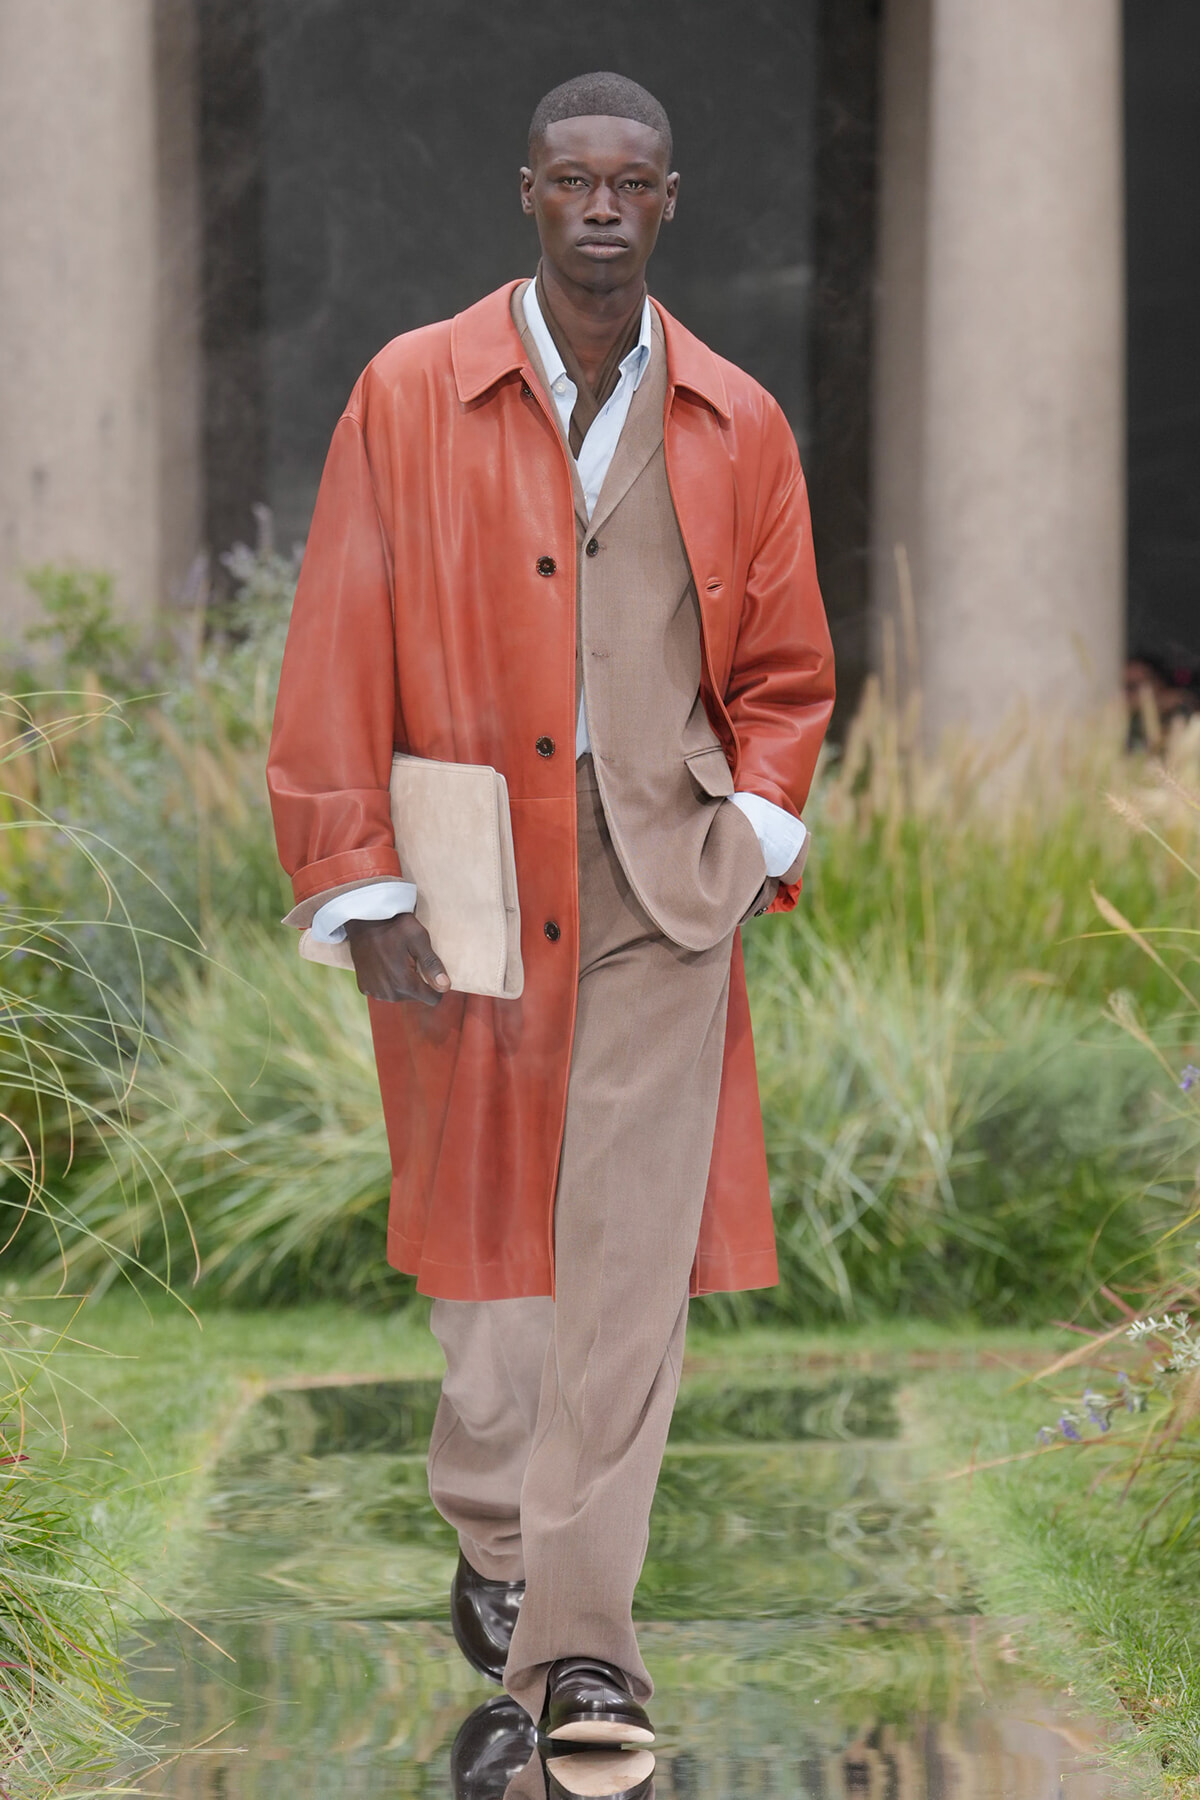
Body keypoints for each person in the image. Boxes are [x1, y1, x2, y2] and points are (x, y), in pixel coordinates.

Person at [268, 71, 834, 1800]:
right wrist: (354, 875)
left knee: (620, 1279)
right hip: (465, 872)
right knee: (495, 1299)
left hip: (663, 882)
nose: (603, 206)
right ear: (527, 193)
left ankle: (580, 1644)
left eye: (633, 184)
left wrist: (750, 834)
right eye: (573, 179)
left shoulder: (736, 421)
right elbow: (336, 640)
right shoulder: (411, 392)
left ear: (670, 204)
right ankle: (498, 1529)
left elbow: (790, 677)